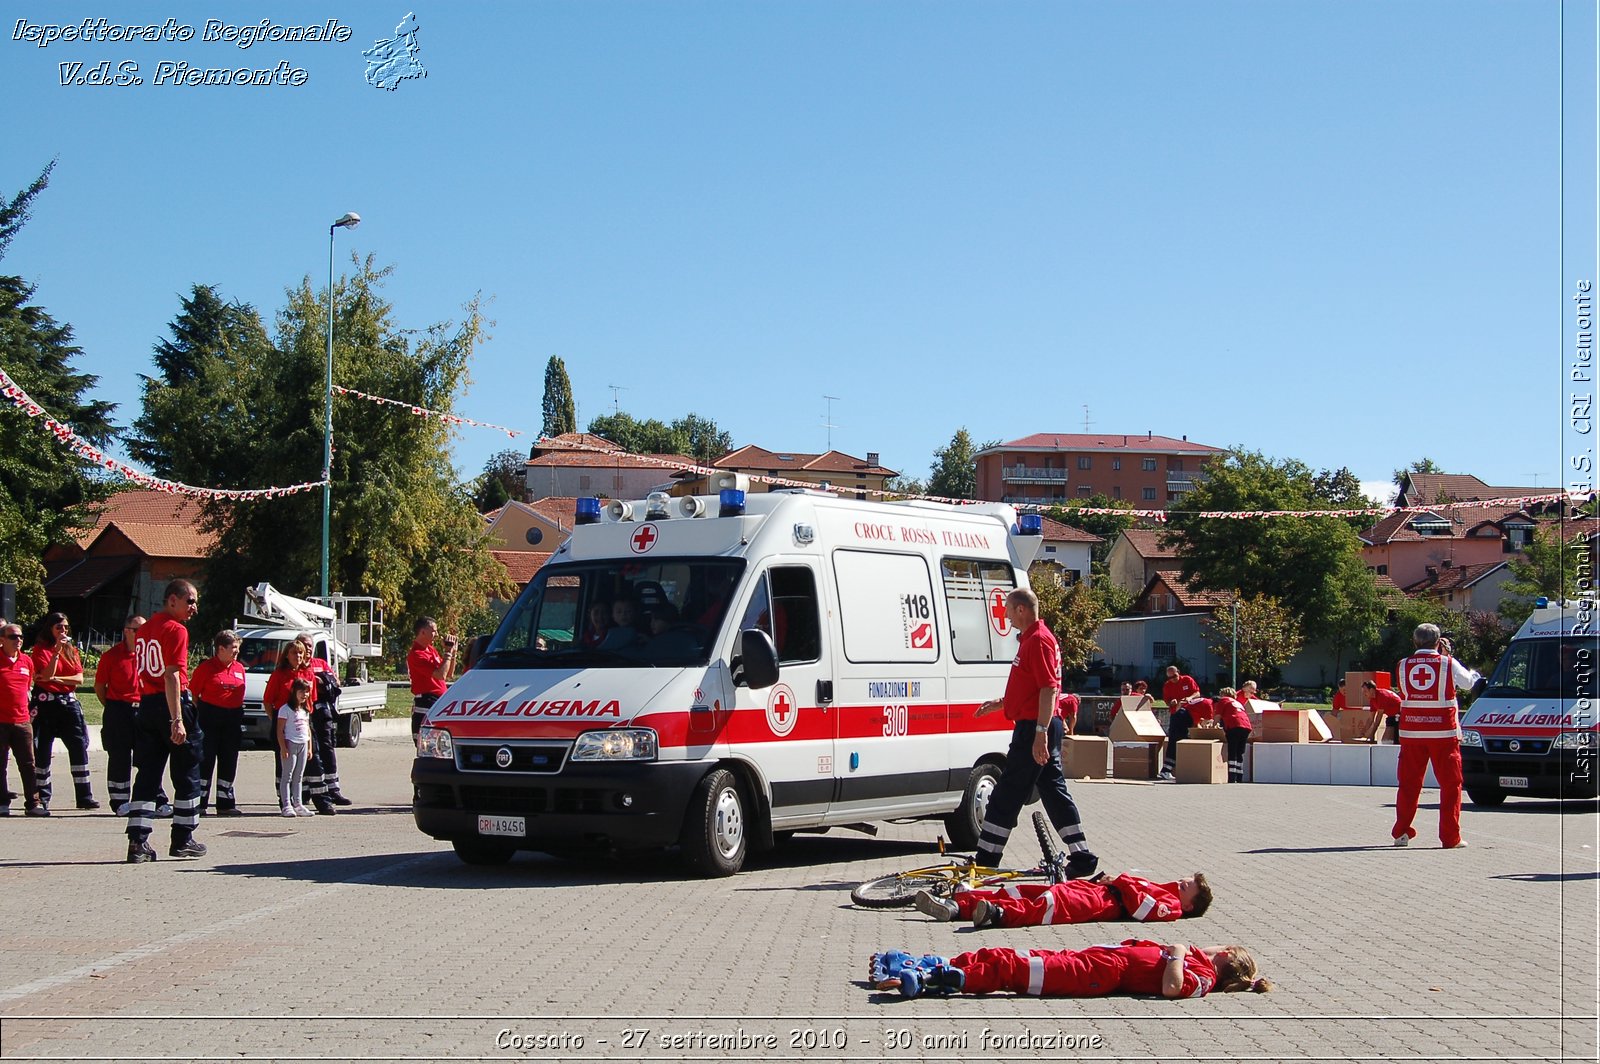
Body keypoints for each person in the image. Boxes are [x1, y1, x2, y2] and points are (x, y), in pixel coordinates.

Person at [970, 588, 1098, 879]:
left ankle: (986, 859)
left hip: (1035, 727)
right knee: (1053, 791)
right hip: (1037, 723)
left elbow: (1048, 688)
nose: (1005, 616)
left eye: (1008, 610)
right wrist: (1001, 704)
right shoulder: (1032, 639)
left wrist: (1040, 732)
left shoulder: (1038, 641)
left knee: (1007, 793)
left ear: (1022, 610)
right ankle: (1082, 856)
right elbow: (1032, 687)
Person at [868, 940, 1272, 999]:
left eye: (1224, 946)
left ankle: (936, 980)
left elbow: (1171, 988)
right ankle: (933, 963)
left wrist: (1178, 953)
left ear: (1228, 956)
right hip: (1101, 958)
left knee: (1019, 972)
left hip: (1101, 975)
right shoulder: (1201, 961)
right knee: (1012, 955)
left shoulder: (1204, 977)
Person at [126, 579, 206, 863]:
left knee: (147, 773)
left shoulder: (145, 629)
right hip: (171, 702)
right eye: (190, 601)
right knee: (187, 770)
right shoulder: (176, 629)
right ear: (173, 600)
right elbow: (172, 675)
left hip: (147, 704)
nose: (194, 607)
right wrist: (177, 719)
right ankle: (183, 838)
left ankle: (138, 840)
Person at [1391, 625, 1483, 849]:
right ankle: (1450, 837)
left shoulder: (1402, 666)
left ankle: (1401, 833)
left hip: (1411, 733)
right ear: (1439, 642)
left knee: (1409, 784)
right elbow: (1468, 683)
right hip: (1443, 734)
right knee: (1451, 785)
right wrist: (1467, 669)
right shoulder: (1447, 663)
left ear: (1414, 642)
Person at [913, 871, 1212, 927]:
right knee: (1026, 891)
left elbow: (1142, 909)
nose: (1184, 882)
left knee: (1046, 907)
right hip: (1096, 892)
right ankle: (956, 906)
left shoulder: (1171, 907)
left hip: (1102, 905)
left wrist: (1121, 881)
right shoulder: (1165, 889)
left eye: (1189, 887)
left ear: (1188, 905)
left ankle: (995, 914)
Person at [95, 616, 169, 818]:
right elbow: (100, 687)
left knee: (149, 756)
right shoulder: (111, 656)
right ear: (126, 630)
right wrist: (115, 706)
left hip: (145, 707)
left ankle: (156, 799)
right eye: (137, 630)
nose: (142, 634)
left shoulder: (150, 654)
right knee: (119, 756)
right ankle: (120, 801)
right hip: (119, 710)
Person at [29, 612, 98, 809]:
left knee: (78, 749)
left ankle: (84, 796)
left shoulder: (72, 650)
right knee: (42, 750)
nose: (63, 631)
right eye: (59, 627)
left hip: (68, 705)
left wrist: (57, 680)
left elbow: (79, 679)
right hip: (46, 706)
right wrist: (56, 652)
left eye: (66, 627)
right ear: (50, 629)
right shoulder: (40, 650)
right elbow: (44, 675)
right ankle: (42, 795)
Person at [192, 630, 247, 816]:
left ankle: (225, 802)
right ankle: (199, 802)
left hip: (232, 719)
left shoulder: (239, 668)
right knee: (206, 761)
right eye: (233, 648)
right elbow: (193, 695)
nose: (236, 652)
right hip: (210, 718)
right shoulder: (206, 668)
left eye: (237, 649)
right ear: (220, 649)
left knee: (229, 760)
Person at [0, 621, 47, 816]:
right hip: (1, 722)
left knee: (28, 764)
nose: (18, 640)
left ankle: (33, 803)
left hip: (22, 721)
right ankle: (2, 802)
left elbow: (28, 687)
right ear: (2, 640)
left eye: (20, 636)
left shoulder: (26, 661)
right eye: (13, 637)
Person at [296, 634, 346, 814]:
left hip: (323, 712)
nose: (308, 648)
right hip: (304, 714)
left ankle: (333, 789)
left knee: (327, 748)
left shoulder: (320, 663)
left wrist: (322, 680)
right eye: (304, 645)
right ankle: (304, 791)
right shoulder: (297, 665)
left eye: (310, 645)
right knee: (308, 753)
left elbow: (335, 683)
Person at [408, 617, 457, 741]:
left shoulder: (431, 650)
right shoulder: (417, 654)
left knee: (442, 742)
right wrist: (447, 653)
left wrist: (453, 653)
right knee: (428, 742)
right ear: (423, 632)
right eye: (434, 631)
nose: (437, 634)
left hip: (439, 700)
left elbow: (449, 673)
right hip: (427, 702)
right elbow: (441, 675)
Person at [277, 678, 315, 817]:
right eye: (301, 692)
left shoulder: (305, 710)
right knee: (287, 776)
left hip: (303, 744)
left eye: (306, 692)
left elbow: (308, 729)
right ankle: (286, 804)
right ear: (293, 692)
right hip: (290, 743)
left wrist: (309, 747)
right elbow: (280, 730)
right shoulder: (285, 709)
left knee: (299, 776)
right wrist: (283, 748)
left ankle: (298, 804)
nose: (304, 695)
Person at [1158, 665, 1202, 781]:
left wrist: (1189, 698)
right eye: (1170, 677)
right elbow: (1167, 701)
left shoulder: (1187, 680)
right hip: (1177, 714)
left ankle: (1170, 769)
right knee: (1175, 740)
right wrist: (1171, 702)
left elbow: (1197, 692)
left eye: (1174, 676)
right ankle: (1167, 769)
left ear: (1179, 672)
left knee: (1180, 740)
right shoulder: (1168, 685)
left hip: (1188, 712)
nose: (1173, 679)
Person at [1214, 686, 1252, 783]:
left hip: (1234, 724)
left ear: (1223, 694)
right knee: (1240, 752)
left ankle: (1232, 776)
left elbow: (1217, 716)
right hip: (1246, 726)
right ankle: (1239, 776)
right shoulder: (1237, 703)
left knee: (1232, 750)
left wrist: (1213, 726)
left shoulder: (1223, 700)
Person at [1365, 679, 1402, 744]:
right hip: (1391, 716)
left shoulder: (1382, 696)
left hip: (1400, 715)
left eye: (1365, 691)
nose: (1364, 694)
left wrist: (1372, 734)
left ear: (1371, 690)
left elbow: (1378, 718)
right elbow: (1371, 718)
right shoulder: (1372, 700)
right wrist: (1364, 732)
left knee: (1390, 740)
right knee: (1385, 741)